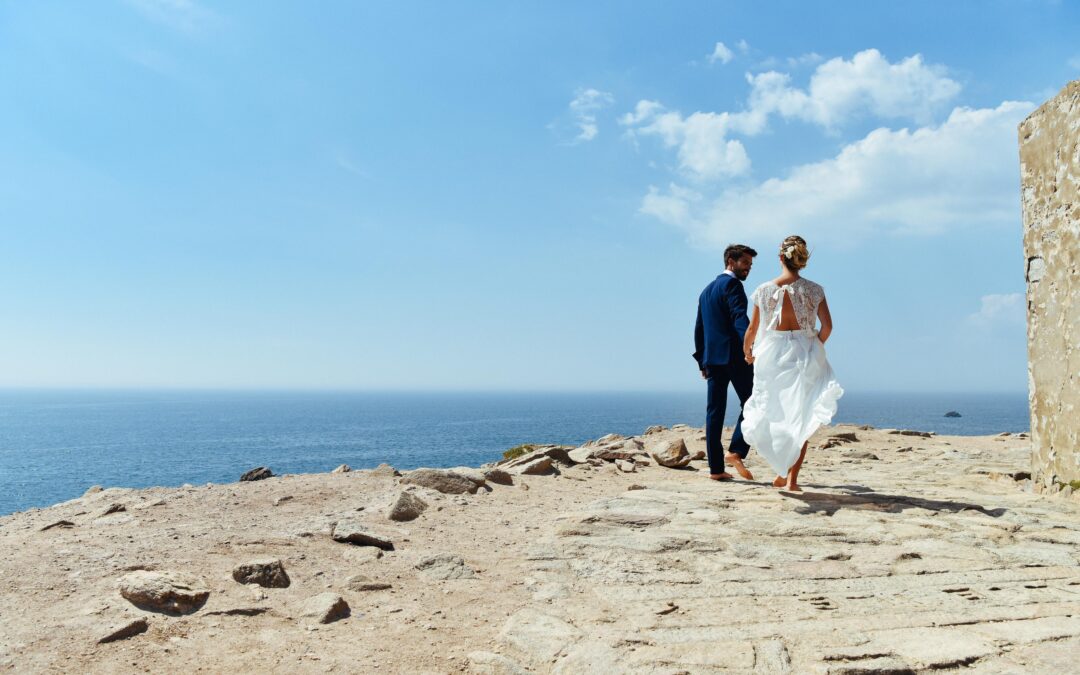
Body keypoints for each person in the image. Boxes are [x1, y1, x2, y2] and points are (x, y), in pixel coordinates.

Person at [741, 235, 843, 492]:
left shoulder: (763, 290)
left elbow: (752, 328)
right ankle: (791, 480)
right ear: (801, 259)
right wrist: (816, 346)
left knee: (775, 413)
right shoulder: (815, 290)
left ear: (780, 257)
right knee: (802, 416)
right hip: (805, 353)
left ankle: (781, 470)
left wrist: (748, 352)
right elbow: (828, 326)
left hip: (772, 355)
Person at [693, 244, 757, 481]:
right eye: (745, 263)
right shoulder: (733, 285)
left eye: (750, 265)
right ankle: (736, 451)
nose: (749, 269)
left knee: (714, 413)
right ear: (731, 260)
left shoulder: (705, 291)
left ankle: (716, 469)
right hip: (735, 358)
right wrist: (750, 347)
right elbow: (740, 319)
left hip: (713, 360)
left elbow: (699, 329)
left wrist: (702, 361)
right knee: (754, 402)